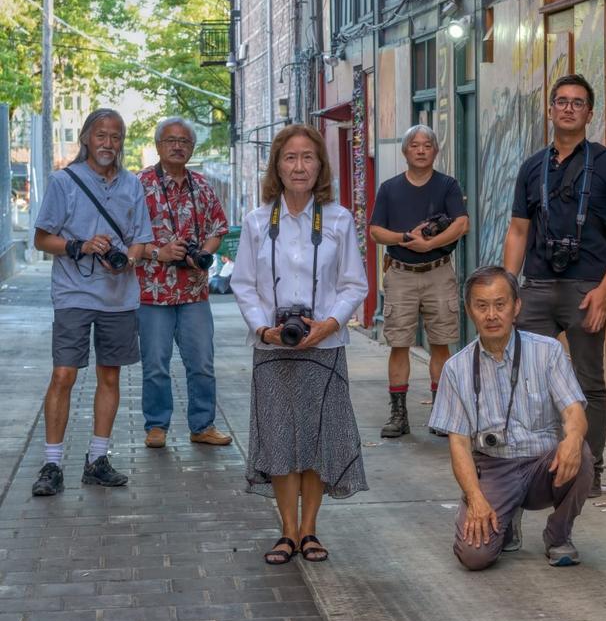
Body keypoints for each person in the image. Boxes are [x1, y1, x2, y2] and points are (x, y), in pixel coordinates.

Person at [231, 124, 369, 564]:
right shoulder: (257, 221)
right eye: (289, 158)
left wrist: (328, 325)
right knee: (279, 441)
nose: (299, 166)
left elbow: (354, 284)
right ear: (277, 165)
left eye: (308, 157)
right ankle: (286, 531)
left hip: (323, 348)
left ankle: (309, 529)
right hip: (272, 349)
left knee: (316, 441)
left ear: (320, 165)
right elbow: (244, 285)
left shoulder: (339, 219)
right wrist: (263, 330)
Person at [503, 73, 606, 497]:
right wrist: (510, 291)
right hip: (537, 287)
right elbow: (518, 232)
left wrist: (604, 289)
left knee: (588, 383)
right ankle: (538, 466)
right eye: (561, 101)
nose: (568, 108)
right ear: (550, 110)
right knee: (530, 380)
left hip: (586, 290)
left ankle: (589, 468)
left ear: (590, 113)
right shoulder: (531, 167)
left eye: (578, 103)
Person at [428, 266, 593, 570]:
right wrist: (475, 497)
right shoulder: (455, 369)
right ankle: (505, 518)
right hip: (494, 467)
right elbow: (459, 445)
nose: (492, 315)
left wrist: (572, 438)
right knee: (474, 556)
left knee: (580, 453)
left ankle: (558, 535)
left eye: (500, 304)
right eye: (482, 306)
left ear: (516, 307)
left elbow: (573, 411)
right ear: (469, 311)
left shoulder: (548, 351)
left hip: (544, 463)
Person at [31, 108, 152, 496]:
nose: (108, 144)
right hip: (73, 294)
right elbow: (41, 239)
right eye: (101, 135)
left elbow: (141, 240)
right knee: (64, 375)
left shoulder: (132, 184)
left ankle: (97, 459)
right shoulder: (63, 182)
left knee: (110, 376)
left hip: (119, 297)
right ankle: (52, 464)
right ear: (86, 138)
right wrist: (80, 246)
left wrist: (128, 260)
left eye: (116, 137)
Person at [135, 117, 231, 449]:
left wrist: (201, 253)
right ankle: (157, 426)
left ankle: (202, 425)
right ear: (158, 144)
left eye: (185, 141)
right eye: (170, 140)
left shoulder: (202, 186)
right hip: (152, 291)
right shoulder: (138, 185)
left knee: (202, 362)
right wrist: (157, 252)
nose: (177, 146)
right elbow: (122, 237)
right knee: (156, 364)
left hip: (193, 291)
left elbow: (219, 228)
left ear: (192, 148)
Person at [369, 125, 469, 438]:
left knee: (442, 343)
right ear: (405, 151)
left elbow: (462, 224)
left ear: (435, 151)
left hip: (438, 270)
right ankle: (398, 414)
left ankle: (441, 413)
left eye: (428, 145)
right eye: (415, 145)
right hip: (400, 273)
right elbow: (375, 231)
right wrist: (403, 238)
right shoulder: (389, 188)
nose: (422, 150)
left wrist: (429, 243)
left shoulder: (447, 186)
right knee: (399, 344)